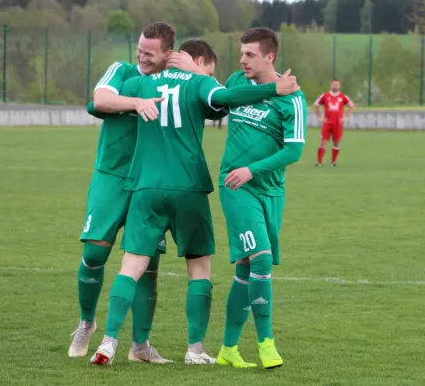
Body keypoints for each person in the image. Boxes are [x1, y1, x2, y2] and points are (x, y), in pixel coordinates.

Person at [89, 39, 300, 367]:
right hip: (188, 187)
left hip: (145, 186)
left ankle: (108, 341)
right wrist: (274, 89)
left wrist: (130, 102)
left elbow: (100, 103)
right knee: (199, 270)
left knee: (131, 266)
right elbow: (225, 98)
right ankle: (195, 349)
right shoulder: (201, 83)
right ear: (197, 60)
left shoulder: (141, 82)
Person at [68, 22, 179, 363]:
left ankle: (140, 346)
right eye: (140, 50)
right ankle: (87, 322)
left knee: (147, 263)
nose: (142, 57)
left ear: (168, 54)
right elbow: (100, 99)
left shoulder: (174, 83)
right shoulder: (122, 70)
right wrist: (137, 102)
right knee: (96, 251)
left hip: (150, 182)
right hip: (111, 176)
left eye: (150, 53)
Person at [212, 27, 307, 370]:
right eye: (242, 53)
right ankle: (267, 344)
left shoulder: (293, 97)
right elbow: (220, 100)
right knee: (262, 260)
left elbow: (294, 151)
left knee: (246, 268)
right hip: (236, 186)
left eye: (250, 54)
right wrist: (245, 172)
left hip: (271, 190)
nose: (242, 60)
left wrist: (254, 169)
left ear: (270, 56)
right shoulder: (238, 79)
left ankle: (228, 349)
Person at [314, 79, 354, 167]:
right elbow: (316, 105)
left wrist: (346, 117)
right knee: (323, 141)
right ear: (330, 85)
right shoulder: (325, 96)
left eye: (337, 85)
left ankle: (333, 162)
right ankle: (319, 161)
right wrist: (320, 117)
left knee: (336, 143)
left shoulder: (343, 96)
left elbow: (351, 106)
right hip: (327, 123)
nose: (335, 86)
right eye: (334, 85)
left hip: (338, 124)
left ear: (339, 86)